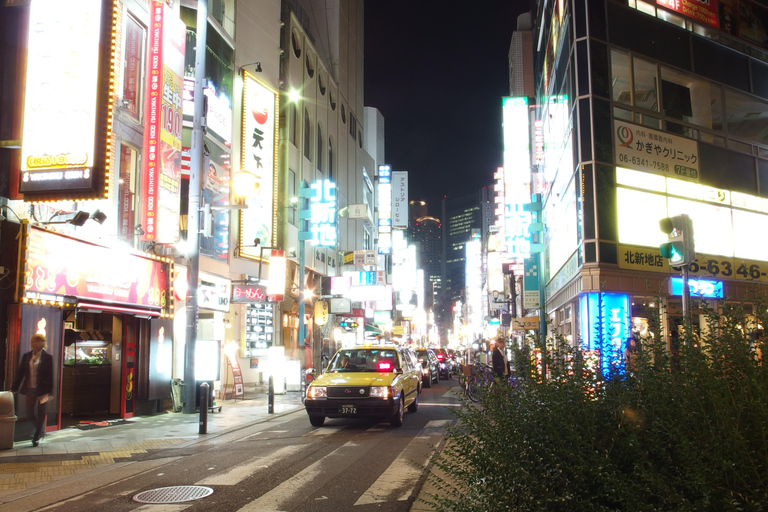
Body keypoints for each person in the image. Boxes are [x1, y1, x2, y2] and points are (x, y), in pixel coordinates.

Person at [11, 333, 54, 446]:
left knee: (41, 412)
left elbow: (50, 376)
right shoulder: (27, 356)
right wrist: (14, 388)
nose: (34, 343)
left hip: (42, 389)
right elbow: (20, 373)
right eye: (33, 341)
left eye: (37, 341)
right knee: (29, 413)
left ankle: (36, 436)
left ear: (42, 343)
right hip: (30, 387)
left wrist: (49, 392)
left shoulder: (47, 357)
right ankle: (40, 430)